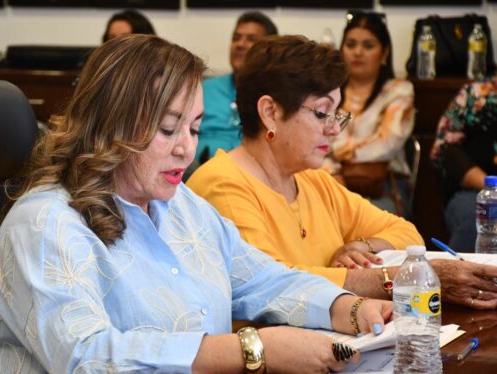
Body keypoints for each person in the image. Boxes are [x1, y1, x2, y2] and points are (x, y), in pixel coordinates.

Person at [0, 35, 391, 374]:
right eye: (168, 130)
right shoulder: (45, 223)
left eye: (195, 128)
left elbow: (259, 278)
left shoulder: (177, 201)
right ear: (112, 125)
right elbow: (85, 359)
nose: (186, 149)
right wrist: (252, 349)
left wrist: (348, 308)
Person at [187, 35, 497, 310]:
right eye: (322, 113)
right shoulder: (222, 184)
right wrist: (404, 278)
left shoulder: (311, 179)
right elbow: (274, 286)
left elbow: (405, 232)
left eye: (337, 114)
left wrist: (362, 246)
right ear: (270, 112)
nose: (335, 129)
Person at [325, 11, 414, 217]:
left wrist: (334, 154)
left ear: (384, 53)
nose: (358, 52)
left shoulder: (399, 91)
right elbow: (314, 141)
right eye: (351, 45)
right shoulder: (328, 91)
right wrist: (332, 170)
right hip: (331, 179)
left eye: (368, 46)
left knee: (365, 219)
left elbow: (386, 144)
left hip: (382, 185)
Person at [194, 11, 277, 165]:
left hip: (254, 169)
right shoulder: (203, 89)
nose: (240, 44)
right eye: (236, 38)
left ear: (269, 50)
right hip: (200, 166)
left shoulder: (277, 95)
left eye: (251, 39)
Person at [431, 78, 497, 253]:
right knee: (477, 219)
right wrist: (491, 189)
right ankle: (461, 270)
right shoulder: (474, 94)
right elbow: (445, 150)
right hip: (476, 191)